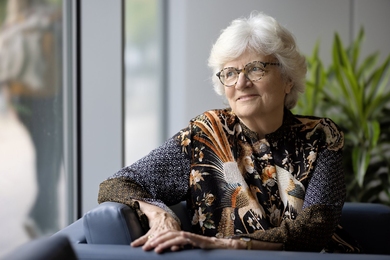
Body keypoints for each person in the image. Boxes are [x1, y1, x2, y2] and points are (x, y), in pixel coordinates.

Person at [98, 12, 359, 253]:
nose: (241, 83)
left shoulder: (321, 136)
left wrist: (219, 243)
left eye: (256, 68)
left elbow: (315, 230)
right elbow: (116, 184)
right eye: (230, 73)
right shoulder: (205, 134)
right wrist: (159, 214)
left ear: (288, 78)